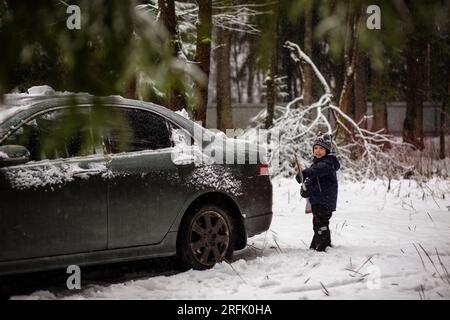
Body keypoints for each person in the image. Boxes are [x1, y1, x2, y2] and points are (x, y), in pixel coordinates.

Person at [296, 133, 340, 252]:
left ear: (327, 150)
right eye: (315, 148)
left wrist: (305, 173)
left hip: (324, 200)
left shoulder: (328, 163)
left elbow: (317, 171)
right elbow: (311, 181)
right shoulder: (316, 164)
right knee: (318, 222)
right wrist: (305, 190)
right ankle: (324, 244)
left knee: (320, 223)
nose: (318, 151)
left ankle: (320, 246)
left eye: (321, 148)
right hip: (318, 199)